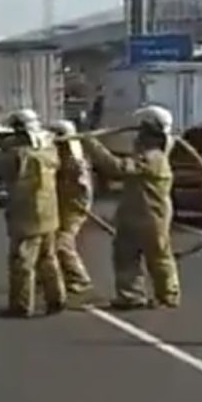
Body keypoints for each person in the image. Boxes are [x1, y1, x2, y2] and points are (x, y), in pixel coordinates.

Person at [82, 105, 181, 310]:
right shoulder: (147, 154)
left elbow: (116, 168)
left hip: (151, 215)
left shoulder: (153, 157)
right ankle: (131, 295)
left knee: (158, 256)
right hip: (133, 214)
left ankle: (167, 296)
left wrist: (90, 143)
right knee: (125, 254)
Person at [0, 109, 65, 317]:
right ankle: (56, 298)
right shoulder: (49, 151)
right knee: (48, 258)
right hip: (49, 213)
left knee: (22, 262)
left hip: (27, 216)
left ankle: (21, 305)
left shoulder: (19, 155)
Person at [51, 119, 95, 297]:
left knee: (62, 242)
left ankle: (80, 278)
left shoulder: (74, 160)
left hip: (73, 205)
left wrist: (80, 205)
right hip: (60, 204)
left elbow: (82, 187)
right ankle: (49, 278)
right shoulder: (59, 155)